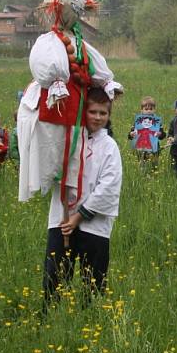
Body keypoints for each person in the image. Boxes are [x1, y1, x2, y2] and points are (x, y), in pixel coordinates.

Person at [17, 0, 122, 204]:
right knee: (55, 148)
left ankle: (73, 204)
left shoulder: (79, 42)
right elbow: (43, 64)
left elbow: (93, 65)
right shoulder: (50, 41)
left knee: (76, 154)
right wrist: (55, 82)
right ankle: (60, 203)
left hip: (77, 107)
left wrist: (105, 81)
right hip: (58, 107)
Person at [42, 87, 122, 308]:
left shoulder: (109, 147)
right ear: (83, 111)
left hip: (93, 223)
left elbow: (109, 185)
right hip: (62, 217)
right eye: (92, 111)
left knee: (94, 280)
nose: (97, 117)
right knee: (55, 276)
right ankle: (51, 318)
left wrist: (79, 216)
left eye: (103, 113)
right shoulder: (68, 140)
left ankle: (91, 317)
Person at [127, 96, 166, 171]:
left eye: (151, 109)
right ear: (141, 110)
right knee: (142, 164)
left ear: (154, 110)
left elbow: (163, 135)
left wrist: (160, 134)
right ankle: (143, 176)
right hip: (141, 148)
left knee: (154, 164)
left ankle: (154, 175)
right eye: (146, 109)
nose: (148, 111)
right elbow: (130, 135)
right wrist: (131, 134)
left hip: (154, 148)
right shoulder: (138, 121)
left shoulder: (157, 122)